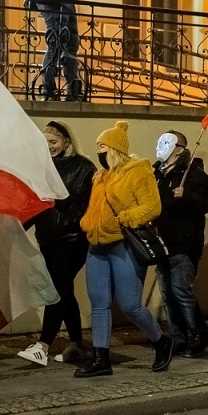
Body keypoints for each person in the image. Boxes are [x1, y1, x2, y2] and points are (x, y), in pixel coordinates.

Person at [75, 120, 173, 378]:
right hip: (97, 244)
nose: (98, 151)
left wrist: (124, 218)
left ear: (114, 148)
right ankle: (101, 358)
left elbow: (152, 207)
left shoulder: (138, 171)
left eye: (101, 146)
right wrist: (87, 223)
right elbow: (94, 208)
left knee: (130, 305)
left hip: (123, 243)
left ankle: (161, 341)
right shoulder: (100, 176)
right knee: (99, 303)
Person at [19, 120, 96, 366]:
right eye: (45, 142)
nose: (49, 146)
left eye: (53, 142)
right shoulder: (43, 167)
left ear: (66, 141)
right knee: (63, 289)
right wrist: (19, 228)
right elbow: (36, 205)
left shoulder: (83, 166)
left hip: (73, 239)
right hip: (48, 238)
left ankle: (43, 345)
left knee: (56, 287)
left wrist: (66, 215)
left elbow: (82, 204)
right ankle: (77, 344)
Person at [152, 130, 208, 355]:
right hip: (162, 244)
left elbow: (207, 204)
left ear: (179, 149)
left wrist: (186, 196)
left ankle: (198, 334)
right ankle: (178, 337)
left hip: (183, 244)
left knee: (181, 291)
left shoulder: (194, 175)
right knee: (168, 294)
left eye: (167, 142)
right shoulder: (157, 174)